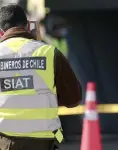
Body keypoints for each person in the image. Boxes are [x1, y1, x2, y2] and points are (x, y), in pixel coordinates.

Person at [0, 3, 82, 150]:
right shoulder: (49, 52)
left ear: (1, 31)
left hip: (5, 142)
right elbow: (73, 99)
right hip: (42, 142)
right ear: (28, 26)